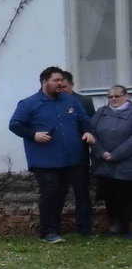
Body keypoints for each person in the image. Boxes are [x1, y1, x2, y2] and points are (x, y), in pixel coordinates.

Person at [8, 66, 96, 243]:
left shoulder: (70, 100)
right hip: (45, 159)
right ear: (44, 82)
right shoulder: (29, 103)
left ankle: (57, 227)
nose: (61, 83)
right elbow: (15, 125)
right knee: (50, 194)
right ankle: (48, 232)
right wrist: (34, 135)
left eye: (62, 80)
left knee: (61, 194)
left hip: (71, 158)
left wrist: (87, 132)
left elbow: (84, 120)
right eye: (56, 80)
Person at [91, 84, 132, 238]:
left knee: (126, 196)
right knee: (109, 195)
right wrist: (101, 152)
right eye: (110, 96)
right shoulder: (101, 112)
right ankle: (114, 225)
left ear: (126, 96)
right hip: (104, 163)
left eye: (117, 96)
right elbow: (90, 132)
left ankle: (124, 227)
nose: (113, 99)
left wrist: (115, 155)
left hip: (126, 162)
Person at [69, 72, 97, 237]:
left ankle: (84, 227)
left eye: (64, 85)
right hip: (59, 157)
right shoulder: (51, 101)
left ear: (72, 84)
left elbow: (91, 125)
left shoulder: (84, 101)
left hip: (80, 155)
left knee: (82, 193)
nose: (61, 88)